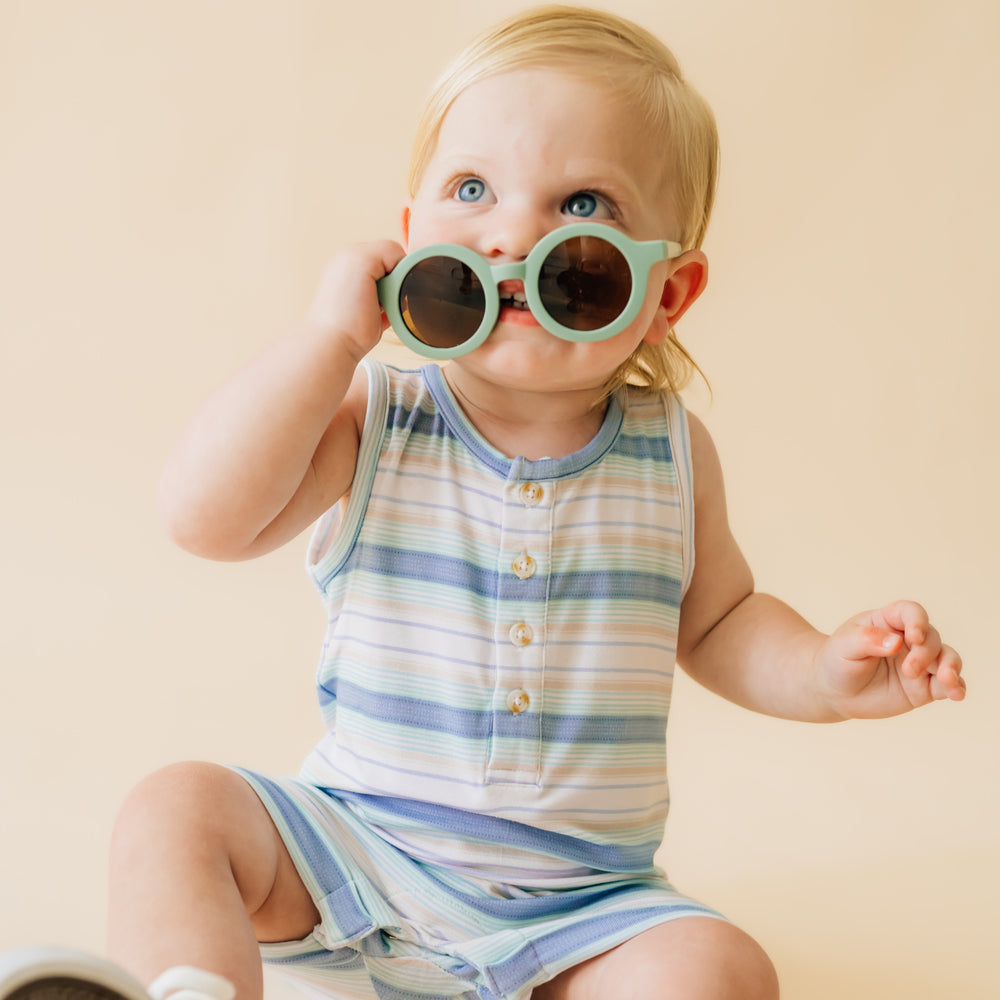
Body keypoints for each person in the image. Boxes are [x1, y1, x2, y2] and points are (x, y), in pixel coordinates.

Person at [0, 6, 965, 1000]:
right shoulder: (375, 415)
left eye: (582, 206)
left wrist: (820, 670)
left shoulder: (672, 452)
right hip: (353, 856)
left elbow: (717, 620)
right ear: (413, 240)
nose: (513, 230)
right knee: (175, 809)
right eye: (472, 189)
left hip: (583, 908)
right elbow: (203, 517)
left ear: (666, 293)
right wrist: (329, 340)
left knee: (719, 968)